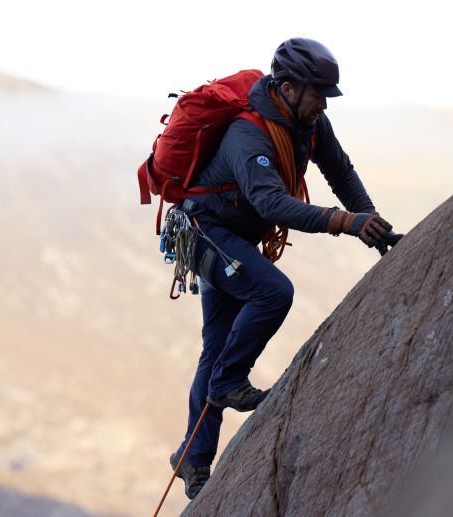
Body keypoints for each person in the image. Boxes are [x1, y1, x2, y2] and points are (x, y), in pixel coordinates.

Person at [170, 37, 402, 499]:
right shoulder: (248, 133)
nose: (323, 104)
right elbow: (270, 202)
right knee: (272, 293)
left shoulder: (310, 125)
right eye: (318, 93)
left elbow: (339, 170)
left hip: (229, 238)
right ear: (290, 88)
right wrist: (344, 222)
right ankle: (227, 388)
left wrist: (369, 221)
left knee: (216, 347)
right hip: (205, 233)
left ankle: (191, 458)